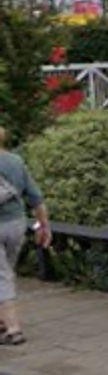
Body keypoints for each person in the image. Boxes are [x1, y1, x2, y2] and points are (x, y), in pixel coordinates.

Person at [0, 130, 53, 348]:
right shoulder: (16, 162)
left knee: (1, 275)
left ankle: (13, 329)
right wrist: (43, 225)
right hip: (16, 225)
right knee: (6, 270)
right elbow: (35, 196)